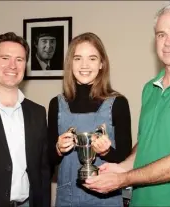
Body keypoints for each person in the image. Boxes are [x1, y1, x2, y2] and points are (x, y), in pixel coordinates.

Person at [84, 3, 170, 207]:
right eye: (161, 34)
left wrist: (123, 179)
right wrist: (122, 168)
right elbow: (147, 144)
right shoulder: (149, 88)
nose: (167, 42)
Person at [47, 32, 132, 207]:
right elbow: (47, 160)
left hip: (106, 198)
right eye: (78, 58)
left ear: (102, 64)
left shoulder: (118, 103)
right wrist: (58, 148)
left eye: (92, 58)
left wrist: (107, 152)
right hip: (67, 198)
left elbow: (125, 158)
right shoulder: (56, 104)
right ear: (70, 64)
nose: (84, 65)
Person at [0, 32, 51, 207]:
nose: (12, 65)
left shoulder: (38, 113)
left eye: (19, 59)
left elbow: (43, 171)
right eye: (5, 58)